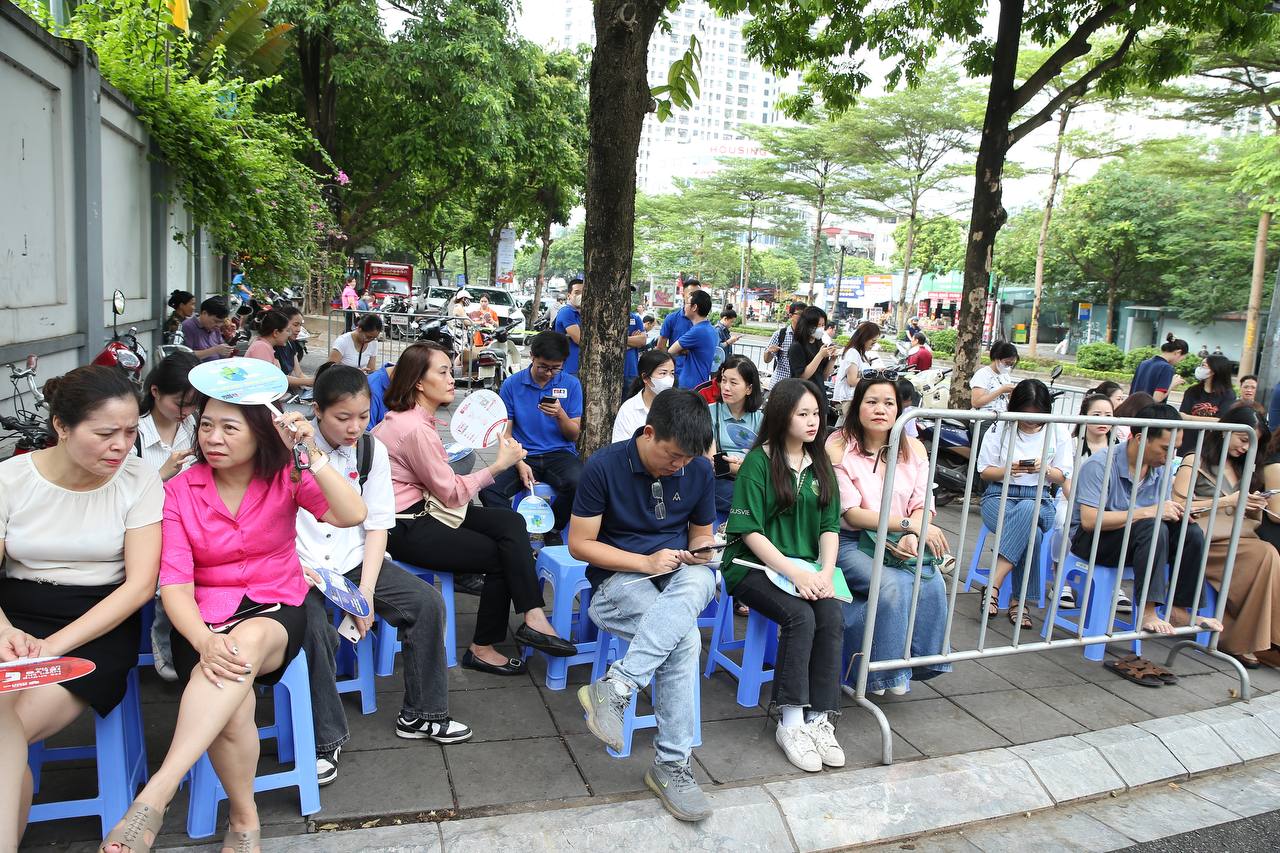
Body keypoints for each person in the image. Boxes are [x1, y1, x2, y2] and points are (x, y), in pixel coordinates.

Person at [103, 390, 368, 853]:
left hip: (277, 606)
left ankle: (158, 793)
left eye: (230, 427)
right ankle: (245, 820)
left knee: (243, 646)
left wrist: (313, 453)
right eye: (206, 425)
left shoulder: (287, 475)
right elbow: (177, 588)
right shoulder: (179, 493)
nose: (213, 438)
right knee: (233, 708)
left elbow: (352, 514)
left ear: (260, 433)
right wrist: (204, 640)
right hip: (201, 619)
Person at [0, 367, 163, 850]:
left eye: (132, 431)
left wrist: (50, 648)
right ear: (62, 427)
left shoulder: (139, 480)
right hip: (14, 616)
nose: (121, 445)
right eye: (105, 433)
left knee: (5, 728)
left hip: (95, 623)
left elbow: (138, 587)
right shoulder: (11, 479)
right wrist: (4, 629)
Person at [297, 366, 472, 787]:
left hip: (354, 560)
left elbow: (377, 525)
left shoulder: (369, 451)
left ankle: (422, 714)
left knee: (425, 602)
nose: (354, 426)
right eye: (342, 418)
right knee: (313, 627)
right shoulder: (291, 452)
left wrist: (367, 594)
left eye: (362, 415)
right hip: (301, 568)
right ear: (317, 411)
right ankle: (325, 739)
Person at [372, 343, 574, 676]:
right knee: (501, 556)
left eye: (451, 371)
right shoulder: (413, 429)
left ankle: (534, 616)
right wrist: (498, 467)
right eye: (443, 372)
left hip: (426, 509)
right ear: (419, 382)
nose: (452, 379)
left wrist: (510, 462)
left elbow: (444, 486)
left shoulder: (415, 421)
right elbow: (451, 494)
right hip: (405, 525)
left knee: (510, 521)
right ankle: (483, 647)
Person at [570, 389, 718, 821]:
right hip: (617, 581)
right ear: (648, 433)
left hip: (676, 574)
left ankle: (615, 688)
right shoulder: (604, 466)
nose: (680, 467)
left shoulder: (698, 469)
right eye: (672, 457)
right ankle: (672, 766)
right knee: (685, 640)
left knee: (700, 578)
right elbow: (580, 545)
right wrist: (644, 562)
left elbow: (699, 534)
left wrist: (704, 548)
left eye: (688, 460)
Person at [721, 378, 844, 772]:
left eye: (817, 413)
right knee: (800, 615)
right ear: (781, 415)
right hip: (752, 566)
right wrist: (794, 572)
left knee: (831, 615)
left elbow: (830, 526)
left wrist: (824, 573)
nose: (813, 421)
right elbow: (750, 532)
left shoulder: (820, 461)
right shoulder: (759, 461)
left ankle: (819, 718)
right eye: (803, 413)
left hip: (806, 569)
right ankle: (790, 719)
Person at [1069, 403, 1223, 686]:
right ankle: (1148, 612)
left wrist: (1177, 514)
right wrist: (1149, 512)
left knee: (1190, 532)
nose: (1170, 456)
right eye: (1165, 448)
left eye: (1175, 449)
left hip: (1138, 538)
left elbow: (1160, 514)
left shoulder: (1159, 469)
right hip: (1094, 541)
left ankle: (1181, 608)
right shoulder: (1099, 465)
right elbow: (1090, 521)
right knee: (1152, 525)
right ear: (1140, 439)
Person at [830, 375, 950, 697]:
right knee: (893, 585)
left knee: (931, 580)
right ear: (857, 407)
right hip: (849, 541)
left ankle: (913, 662)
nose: (880, 409)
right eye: (871, 402)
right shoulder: (839, 446)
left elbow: (923, 503)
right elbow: (851, 513)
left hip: (896, 538)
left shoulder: (913, 449)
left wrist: (913, 533)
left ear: (900, 408)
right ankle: (879, 674)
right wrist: (908, 526)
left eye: (889, 403)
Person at [1173, 406, 1280, 668]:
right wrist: (1227, 501)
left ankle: (1258, 640)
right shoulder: (1194, 460)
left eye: (1251, 442)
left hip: (1239, 537)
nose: (1245, 447)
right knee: (1267, 555)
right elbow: (1178, 504)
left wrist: (1253, 503)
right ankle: (1252, 641)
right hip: (1203, 539)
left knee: (1268, 555)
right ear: (1226, 431)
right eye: (1243, 439)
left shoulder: (1246, 469)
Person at [976, 380, 1073, 628]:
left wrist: (1047, 470)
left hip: (1040, 497)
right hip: (999, 495)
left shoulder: (1058, 431)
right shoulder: (1000, 428)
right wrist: (1009, 469)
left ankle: (993, 585)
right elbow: (985, 472)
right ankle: (1020, 603)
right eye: (1025, 414)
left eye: (1037, 415)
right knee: (1034, 536)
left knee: (1029, 509)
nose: (1031, 421)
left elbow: (1062, 476)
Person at [134, 353, 201, 681]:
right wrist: (161, 474)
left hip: (192, 522)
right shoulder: (134, 434)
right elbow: (122, 498)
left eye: (192, 405)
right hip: (148, 529)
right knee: (174, 579)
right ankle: (163, 639)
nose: (185, 411)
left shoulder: (196, 427)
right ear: (156, 391)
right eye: (180, 403)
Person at [479, 332, 584, 534]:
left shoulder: (571, 384)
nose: (548, 373)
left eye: (556, 368)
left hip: (559, 454)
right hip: (522, 453)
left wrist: (561, 414)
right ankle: (515, 530)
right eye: (543, 366)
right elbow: (506, 434)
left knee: (580, 483)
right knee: (488, 489)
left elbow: (574, 435)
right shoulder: (512, 385)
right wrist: (519, 462)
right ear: (532, 357)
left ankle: (552, 530)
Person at [709, 355, 763, 517]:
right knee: (754, 502)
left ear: (749, 389)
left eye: (733, 383)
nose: (725, 387)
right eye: (724, 380)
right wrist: (746, 468)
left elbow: (768, 463)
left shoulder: (761, 418)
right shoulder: (709, 413)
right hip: (721, 484)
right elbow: (713, 463)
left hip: (754, 483)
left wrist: (733, 466)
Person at [1177, 354, 1237, 454]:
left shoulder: (1228, 394)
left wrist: (1190, 418)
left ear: (1214, 370)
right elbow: (1182, 416)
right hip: (1188, 445)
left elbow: (1221, 421)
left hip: (1211, 447)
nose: (1200, 368)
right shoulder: (1192, 391)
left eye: (1204, 366)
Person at [612, 351, 676, 443]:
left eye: (672, 373)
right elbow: (620, 447)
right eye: (663, 373)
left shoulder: (678, 406)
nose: (669, 379)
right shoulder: (628, 410)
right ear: (645, 377)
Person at [667, 289, 718, 390]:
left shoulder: (698, 331)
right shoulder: (711, 329)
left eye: (686, 303)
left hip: (689, 386)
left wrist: (684, 351)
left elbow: (671, 351)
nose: (684, 307)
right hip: (701, 383)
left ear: (694, 307)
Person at [1130, 334, 1189, 403]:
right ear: (1178, 352)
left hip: (1133, 409)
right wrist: (1173, 384)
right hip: (1149, 412)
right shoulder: (1166, 368)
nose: (1179, 362)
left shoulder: (1144, 363)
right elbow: (1157, 398)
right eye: (1181, 359)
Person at [834, 322, 881, 407]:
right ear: (865, 338)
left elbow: (860, 375)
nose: (873, 345)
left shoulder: (860, 353)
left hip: (856, 398)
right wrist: (874, 378)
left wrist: (875, 372)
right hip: (850, 400)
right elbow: (852, 381)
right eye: (873, 342)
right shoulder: (853, 353)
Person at [788, 307, 839, 385]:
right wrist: (820, 355)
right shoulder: (796, 347)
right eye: (818, 325)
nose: (821, 328)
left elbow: (824, 376)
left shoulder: (820, 344)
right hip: (804, 392)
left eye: (823, 325)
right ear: (807, 325)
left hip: (819, 391)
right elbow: (802, 376)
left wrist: (832, 359)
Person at [763, 301, 806, 386]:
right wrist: (769, 351)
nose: (804, 318)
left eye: (805, 315)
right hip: (780, 383)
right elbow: (766, 360)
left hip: (799, 386)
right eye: (800, 314)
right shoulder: (780, 334)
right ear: (790, 316)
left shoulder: (809, 337)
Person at [180, 296, 235, 362]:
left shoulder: (215, 328)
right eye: (216, 321)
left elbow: (221, 350)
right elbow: (185, 355)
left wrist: (226, 351)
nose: (219, 325)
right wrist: (214, 350)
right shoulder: (188, 326)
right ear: (204, 313)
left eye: (221, 322)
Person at [969, 341, 1019, 414]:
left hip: (1001, 417)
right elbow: (976, 402)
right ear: (997, 358)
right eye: (1007, 363)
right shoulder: (982, 374)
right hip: (983, 419)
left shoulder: (1005, 376)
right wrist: (1001, 390)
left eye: (1012, 364)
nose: (1008, 366)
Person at [657, 278, 702, 357]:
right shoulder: (671, 318)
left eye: (698, 294)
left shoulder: (703, 320)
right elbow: (661, 346)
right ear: (683, 295)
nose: (695, 298)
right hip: (677, 367)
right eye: (691, 294)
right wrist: (671, 362)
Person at [274, 306, 314, 392]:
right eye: (295, 325)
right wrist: (312, 381)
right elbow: (280, 378)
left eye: (300, 325)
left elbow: (299, 373)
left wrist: (316, 383)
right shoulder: (272, 347)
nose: (299, 330)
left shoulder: (291, 343)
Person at [553, 278, 584, 375]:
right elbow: (580, 340)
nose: (581, 296)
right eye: (577, 292)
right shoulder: (567, 312)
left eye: (584, 292)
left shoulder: (582, 315)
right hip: (569, 369)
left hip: (579, 368)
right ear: (569, 296)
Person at [624, 307, 647, 388]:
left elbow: (642, 341)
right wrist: (632, 342)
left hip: (630, 370)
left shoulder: (635, 318)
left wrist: (618, 341)